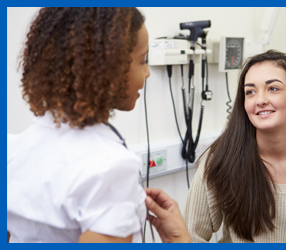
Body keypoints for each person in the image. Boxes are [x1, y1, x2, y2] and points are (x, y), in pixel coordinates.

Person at [7, 7, 190, 243]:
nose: (147, 73)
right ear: (108, 68)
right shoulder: (110, 167)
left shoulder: (12, 149)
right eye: (142, 61)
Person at [183, 50, 286, 243]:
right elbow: (188, 238)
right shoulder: (221, 158)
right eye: (250, 92)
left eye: (273, 88)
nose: (260, 100)